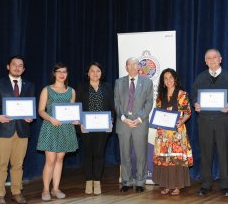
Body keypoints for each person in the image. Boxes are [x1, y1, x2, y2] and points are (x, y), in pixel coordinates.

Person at [0, 55, 35, 204]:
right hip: (3, 130)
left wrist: (30, 117)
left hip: (22, 130)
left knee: (18, 165)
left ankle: (16, 192)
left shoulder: (29, 85)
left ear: (24, 69)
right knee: (1, 164)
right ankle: (0, 195)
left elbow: (29, 107)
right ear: (8, 66)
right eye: (14, 64)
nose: (17, 67)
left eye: (20, 65)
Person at [192, 49, 228, 196]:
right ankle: (206, 184)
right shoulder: (200, 78)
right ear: (205, 61)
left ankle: (225, 185)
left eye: (215, 57)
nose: (212, 60)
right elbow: (193, 96)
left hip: (223, 122)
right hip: (205, 122)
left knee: (224, 153)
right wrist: (195, 104)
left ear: (221, 59)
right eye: (209, 58)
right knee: (206, 154)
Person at [37, 63, 78, 202]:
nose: (62, 74)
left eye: (64, 72)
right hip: (50, 127)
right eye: (59, 71)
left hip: (66, 129)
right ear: (54, 73)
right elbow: (41, 110)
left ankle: (55, 188)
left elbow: (72, 111)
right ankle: (45, 190)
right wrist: (51, 118)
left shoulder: (71, 91)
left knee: (60, 159)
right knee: (50, 160)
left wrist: (75, 120)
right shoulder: (47, 90)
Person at [114, 57, 153, 193]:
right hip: (123, 123)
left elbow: (149, 103)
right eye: (129, 64)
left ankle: (140, 181)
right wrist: (124, 118)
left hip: (140, 123)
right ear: (126, 67)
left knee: (141, 155)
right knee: (125, 155)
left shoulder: (147, 82)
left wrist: (139, 119)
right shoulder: (118, 82)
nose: (131, 67)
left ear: (139, 67)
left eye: (134, 64)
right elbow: (116, 102)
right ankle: (127, 181)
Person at [76, 62, 114, 195]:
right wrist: (80, 123)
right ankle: (88, 181)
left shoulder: (107, 87)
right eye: (92, 71)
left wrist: (111, 122)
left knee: (99, 154)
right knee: (87, 154)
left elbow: (111, 106)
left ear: (101, 73)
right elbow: (77, 107)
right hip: (86, 126)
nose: (95, 73)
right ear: (88, 73)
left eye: (98, 71)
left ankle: (97, 181)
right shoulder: (81, 87)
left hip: (102, 127)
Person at [153, 68, 193, 196]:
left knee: (175, 158)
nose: (168, 80)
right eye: (165, 78)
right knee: (165, 159)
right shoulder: (160, 96)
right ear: (163, 81)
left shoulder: (182, 94)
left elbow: (187, 112)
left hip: (177, 132)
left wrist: (181, 122)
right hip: (163, 134)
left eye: (171, 77)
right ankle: (165, 185)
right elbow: (157, 113)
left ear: (175, 79)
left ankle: (176, 185)